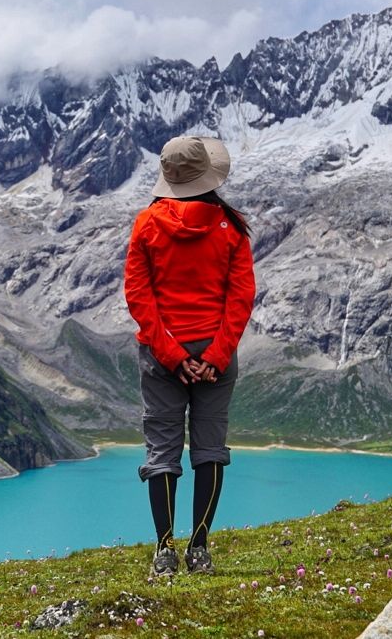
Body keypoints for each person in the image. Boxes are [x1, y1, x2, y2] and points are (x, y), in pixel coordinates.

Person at [123, 134, 256, 577]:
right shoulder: (231, 227)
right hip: (216, 356)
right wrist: (214, 356)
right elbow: (241, 299)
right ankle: (200, 548)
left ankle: (164, 551)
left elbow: (138, 297)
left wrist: (173, 355)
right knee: (210, 449)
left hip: (162, 357)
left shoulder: (146, 224)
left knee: (162, 451)